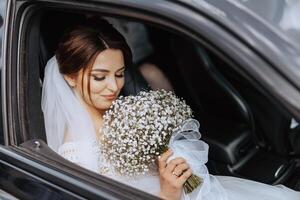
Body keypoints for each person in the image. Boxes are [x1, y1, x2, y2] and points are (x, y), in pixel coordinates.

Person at [41, 18, 300, 200]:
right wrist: (166, 194)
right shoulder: (76, 154)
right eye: (100, 77)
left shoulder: (128, 113)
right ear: (70, 77)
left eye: (120, 74)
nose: (114, 87)